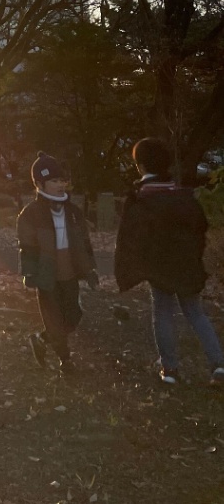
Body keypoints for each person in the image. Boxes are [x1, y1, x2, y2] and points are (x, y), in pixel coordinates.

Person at [114, 136, 224, 387]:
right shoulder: (184, 196)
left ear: (140, 166)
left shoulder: (142, 200)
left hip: (159, 268)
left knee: (162, 313)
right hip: (187, 265)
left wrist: (131, 269)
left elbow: (132, 239)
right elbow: (200, 228)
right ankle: (218, 364)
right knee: (196, 312)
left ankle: (170, 368)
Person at [18, 152, 98, 376]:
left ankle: (41, 338)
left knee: (73, 316)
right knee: (53, 318)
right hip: (46, 274)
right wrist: (30, 272)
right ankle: (66, 361)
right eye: (54, 181)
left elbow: (84, 243)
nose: (61, 185)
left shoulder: (72, 212)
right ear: (40, 184)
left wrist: (90, 269)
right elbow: (27, 247)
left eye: (63, 180)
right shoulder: (31, 214)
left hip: (70, 273)